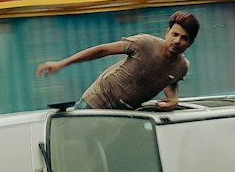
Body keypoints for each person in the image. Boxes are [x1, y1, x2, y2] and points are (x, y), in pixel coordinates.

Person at [35, 11, 200, 111]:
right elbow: (103, 50)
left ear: (191, 43)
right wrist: (62, 63)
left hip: (126, 115)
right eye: (175, 34)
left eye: (184, 38)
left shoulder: (182, 67)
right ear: (167, 33)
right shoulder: (145, 43)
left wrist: (173, 100)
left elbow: (170, 79)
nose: (177, 41)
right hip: (96, 101)